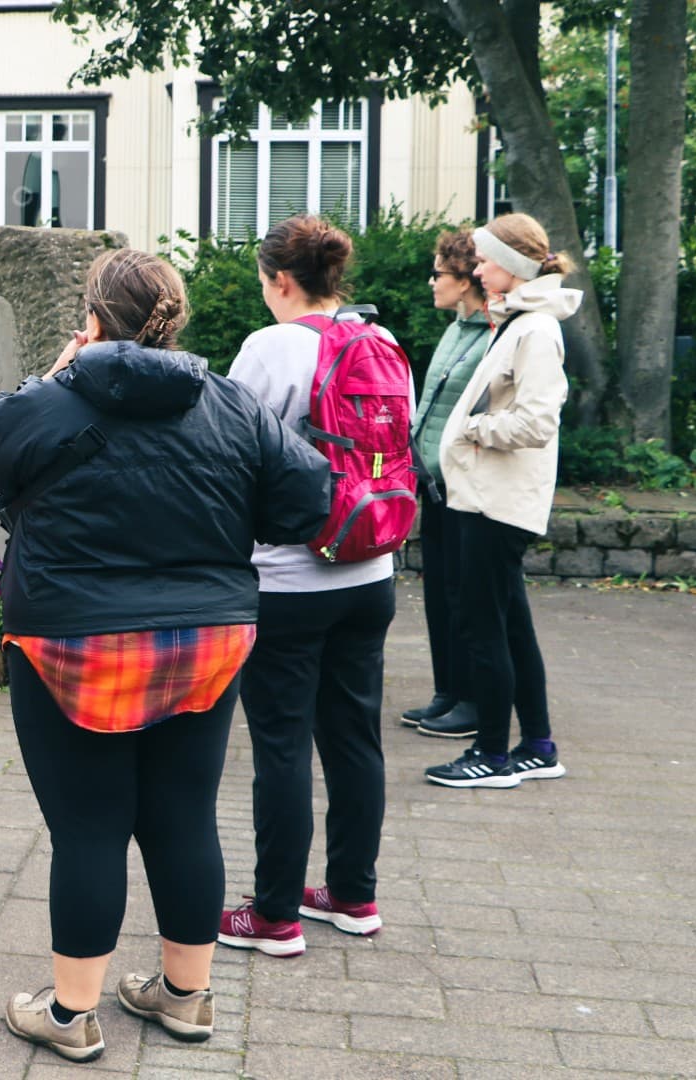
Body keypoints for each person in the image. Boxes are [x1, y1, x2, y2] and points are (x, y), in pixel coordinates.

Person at [0, 249, 329, 1060]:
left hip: (71, 643)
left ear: (90, 320)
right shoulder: (229, 403)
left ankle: (71, 1014)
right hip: (207, 638)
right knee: (184, 814)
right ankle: (186, 998)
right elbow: (308, 500)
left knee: (89, 828)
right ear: (177, 317)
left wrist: (59, 373)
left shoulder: (55, 404)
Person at [219, 216, 408, 958]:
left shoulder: (269, 348)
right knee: (356, 739)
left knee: (283, 747)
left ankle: (274, 916)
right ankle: (354, 897)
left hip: (289, 578)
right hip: (371, 569)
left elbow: (228, 451)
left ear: (282, 281)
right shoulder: (383, 343)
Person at [425, 212, 576, 788]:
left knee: (483, 629)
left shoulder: (534, 330)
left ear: (511, 266)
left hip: (496, 502)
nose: (477, 266)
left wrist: (471, 430)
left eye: (485, 259)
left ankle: (490, 754)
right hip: (489, 497)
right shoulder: (521, 321)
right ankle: (536, 745)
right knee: (511, 628)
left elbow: (537, 421)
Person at [405, 231, 495, 739]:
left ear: (465, 282)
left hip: (467, 484)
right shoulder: (457, 329)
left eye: (439, 273)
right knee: (439, 589)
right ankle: (447, 690)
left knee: (465, 593)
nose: (431, 282)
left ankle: (473, 698)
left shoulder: (490, 334)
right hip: (434, 482)